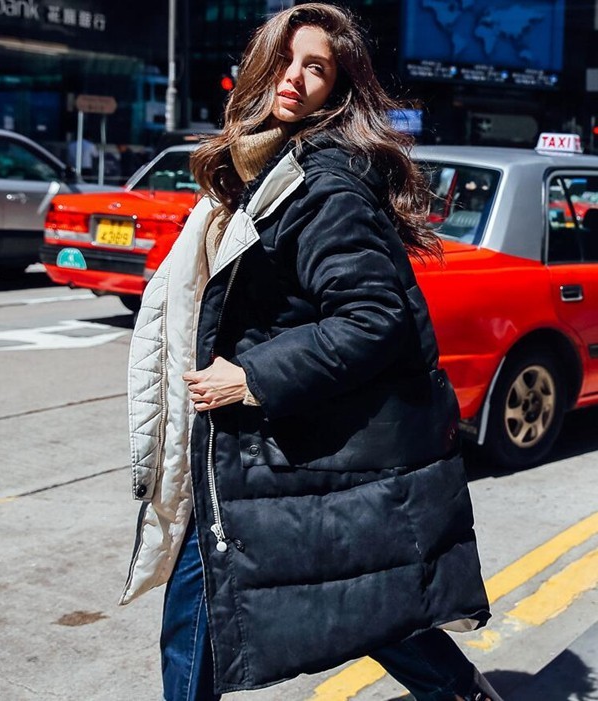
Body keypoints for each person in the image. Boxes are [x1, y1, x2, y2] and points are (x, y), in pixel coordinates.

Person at [120, 5, 503, 701]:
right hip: (265, 444)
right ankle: (461, 691)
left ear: (337, 89)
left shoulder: (321, 182)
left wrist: (252, 375)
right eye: (284, 59)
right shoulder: (264, 168)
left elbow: (373, 317)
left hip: (274, 442)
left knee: (225, 602)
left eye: (316, 67)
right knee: (362, 596)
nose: (293, 78)